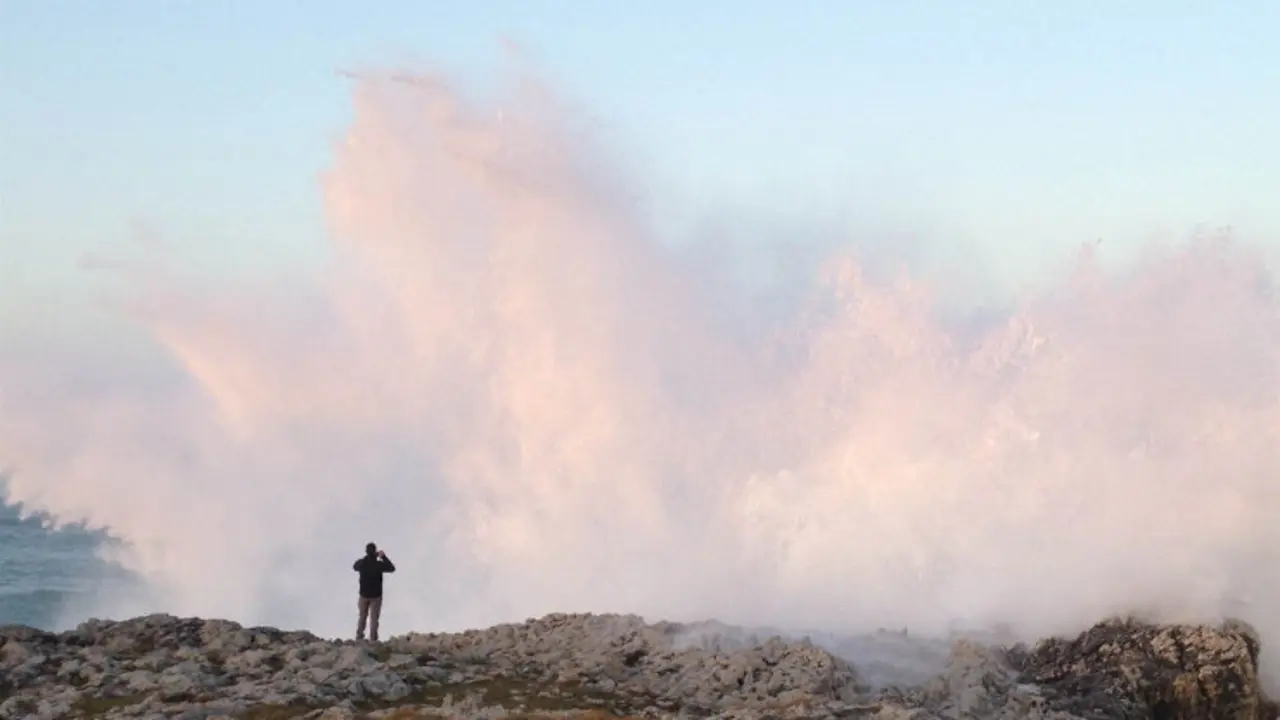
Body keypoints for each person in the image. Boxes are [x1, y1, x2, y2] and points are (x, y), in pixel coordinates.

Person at [353, 542, 396, 641]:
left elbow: (354, 566)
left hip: (363, 595)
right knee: (374, 620)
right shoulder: (378, 565)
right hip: (376, 596)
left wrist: (367, 557)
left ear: (366, 552)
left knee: (362, 617)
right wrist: (383, 557)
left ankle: (359, 637)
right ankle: (373, 640)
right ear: (375, 551)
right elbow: (392, 568)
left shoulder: (362, 563)